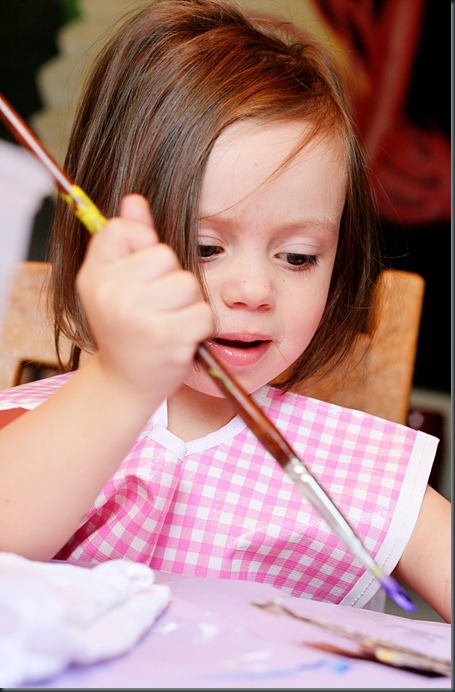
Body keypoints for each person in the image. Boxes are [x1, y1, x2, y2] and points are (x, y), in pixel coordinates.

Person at [0, 0, 450, 622]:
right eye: (208, 247)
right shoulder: (37, 434)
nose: (253, 288)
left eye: (297, 257)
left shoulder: (350, 465)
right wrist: (121, 383)